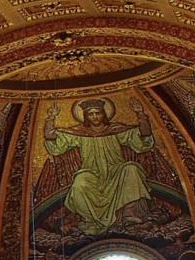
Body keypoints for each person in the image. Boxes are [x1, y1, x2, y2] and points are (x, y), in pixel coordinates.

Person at [43, 98, 155, 234]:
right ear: (86, 116)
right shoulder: (80, 132)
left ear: (104, 114)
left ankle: (129, 215)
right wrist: (50, 118)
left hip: (116, 171)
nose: (95, 117)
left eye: (98, 113)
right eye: (91, 114)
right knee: (80, 183)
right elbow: (54, 143)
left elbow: (144, 137)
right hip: (92, 173)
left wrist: (141, 115)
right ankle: (89, 219)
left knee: (131, 169)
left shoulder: (115, 129)